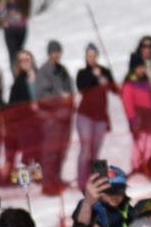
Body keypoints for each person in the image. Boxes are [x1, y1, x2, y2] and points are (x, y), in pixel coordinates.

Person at [34, 41, 75, 193]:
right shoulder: (44, 71)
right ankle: (47, 183)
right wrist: (59, 99)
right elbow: (42, 95)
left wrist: (70, 101)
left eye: (58, 51)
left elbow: (70, 88)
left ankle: (56, 179)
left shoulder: (62, 70)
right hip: (51, 119)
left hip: (65, 117)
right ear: (49, 53)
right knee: (50, 152)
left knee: (62, 151)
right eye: (54, 52)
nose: (56, 55)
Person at [74, 44, 119, 178]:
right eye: (89, 56)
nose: (92, 59)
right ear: (86, 57)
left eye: (94, 56)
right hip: (85, 115)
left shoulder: (104, 70)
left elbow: (115, 90)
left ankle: (97, 179)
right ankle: (82, 180)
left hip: (101, 117)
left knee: (96, 149)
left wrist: (108, 81)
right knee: (85, 148)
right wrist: (94, 77)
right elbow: (82, 88)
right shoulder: (82, 73)